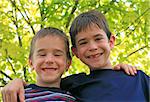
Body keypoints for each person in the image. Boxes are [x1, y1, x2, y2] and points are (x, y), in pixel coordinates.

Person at [2, 10, 143, 102]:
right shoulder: (75, 84)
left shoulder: (137, 78)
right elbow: (44, 84)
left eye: (98, 39)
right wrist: (18, 82)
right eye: (83, 42)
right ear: (75, 52)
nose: (93, 47)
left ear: (111, 41)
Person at [10, 27, 77, 101]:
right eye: (42, 54)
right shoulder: (19, 96)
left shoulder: (72, 98)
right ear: (31, 62)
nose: (49, 60)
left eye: (57, 55)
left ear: (68, 64)